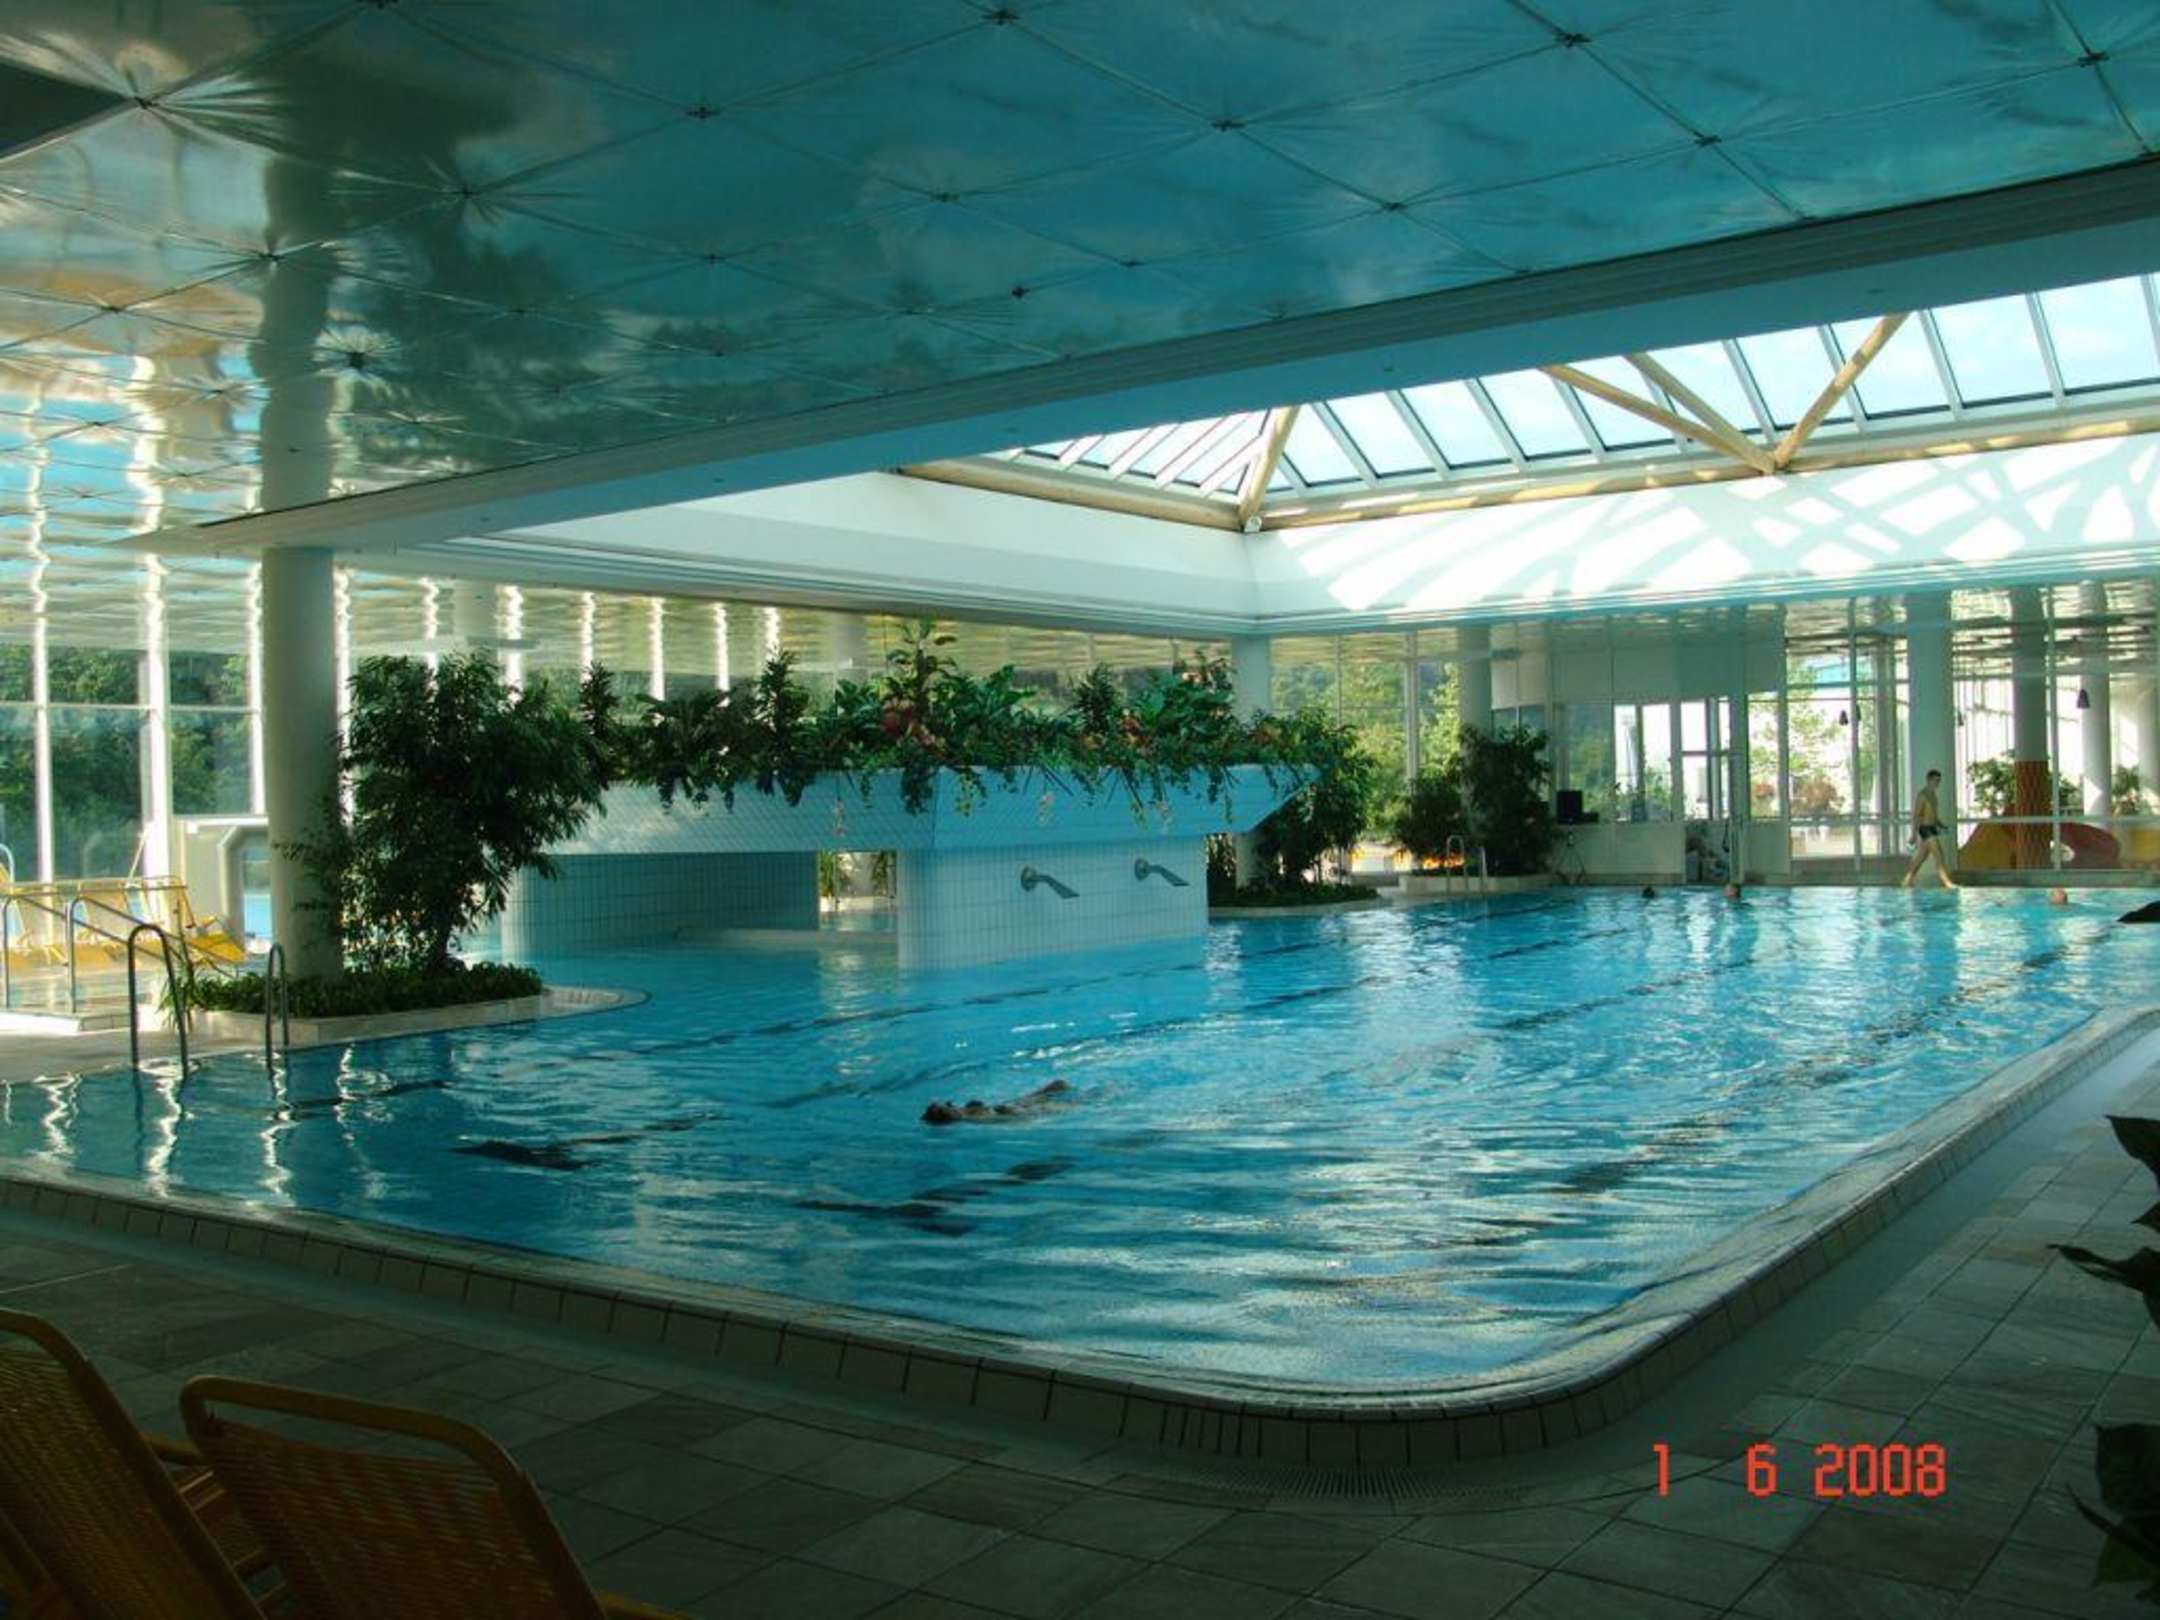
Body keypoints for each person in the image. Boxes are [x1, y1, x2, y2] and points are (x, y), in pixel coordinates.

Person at [922, 1079, 1073, 1125]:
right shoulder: (974, 1118)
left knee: (1059, 1084)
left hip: (1018, 1104)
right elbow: (1011, 1116)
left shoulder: (965, 1110)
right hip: (1021, 1108)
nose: (943, 1106)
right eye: (941, 1110)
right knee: (1061, 1088)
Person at [1900, 768, 1955, 889]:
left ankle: (1906, 881)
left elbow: (1934, 815)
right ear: (1928, 780)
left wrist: (1941, 825)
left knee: (1921, 857)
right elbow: (1916, 815)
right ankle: (1946, 882)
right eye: (1935, 780)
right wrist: (1913, 834)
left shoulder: (1933, 796)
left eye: (1939, 781)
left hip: (1932, 828)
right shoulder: (1922, 795)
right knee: (1939, 854)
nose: (1937, 783)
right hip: (1925, 829)